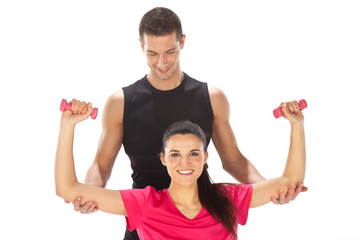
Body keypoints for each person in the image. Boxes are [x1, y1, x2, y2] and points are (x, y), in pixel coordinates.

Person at [66, 7, 306, 239]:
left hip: (202, 216)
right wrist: (87, 193)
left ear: (182, 42)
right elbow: (101, 165)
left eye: (170, 51)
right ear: (141, 46)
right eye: (152, 53)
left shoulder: (212, 98)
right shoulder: (120, 102)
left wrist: (272, 189)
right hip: (146, 219)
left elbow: (233, 160)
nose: (161, 62)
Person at [55, 100, 306, 240]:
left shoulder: (227, 199)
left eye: (193, 154)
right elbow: (68, 189)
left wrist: (296, 125)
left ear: (205, 157)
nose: (184, 163)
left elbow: (289, 181)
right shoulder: (144, 203)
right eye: (175, 155)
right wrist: (67, 126)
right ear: (163, 159)